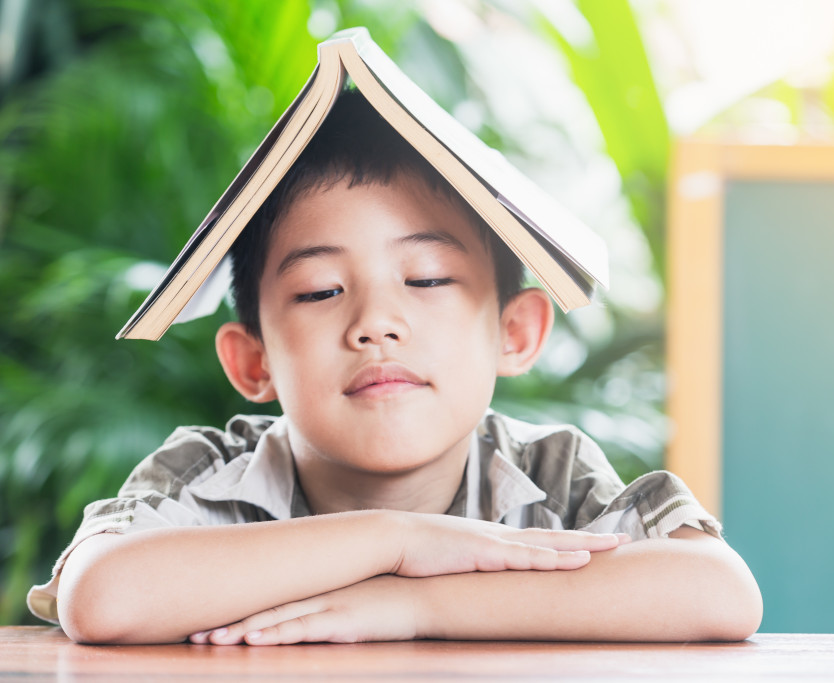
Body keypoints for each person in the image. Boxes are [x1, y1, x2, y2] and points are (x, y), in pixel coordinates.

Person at [29, 89, 762, 645]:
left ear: (515, 330)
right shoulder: (204, 472)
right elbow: (103, 598)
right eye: (320, 291)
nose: (375, 322)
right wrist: (398, 540)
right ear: (253, 360)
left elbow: (718, 591)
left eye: (428, 278)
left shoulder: (552, 474)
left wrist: (416, 602)